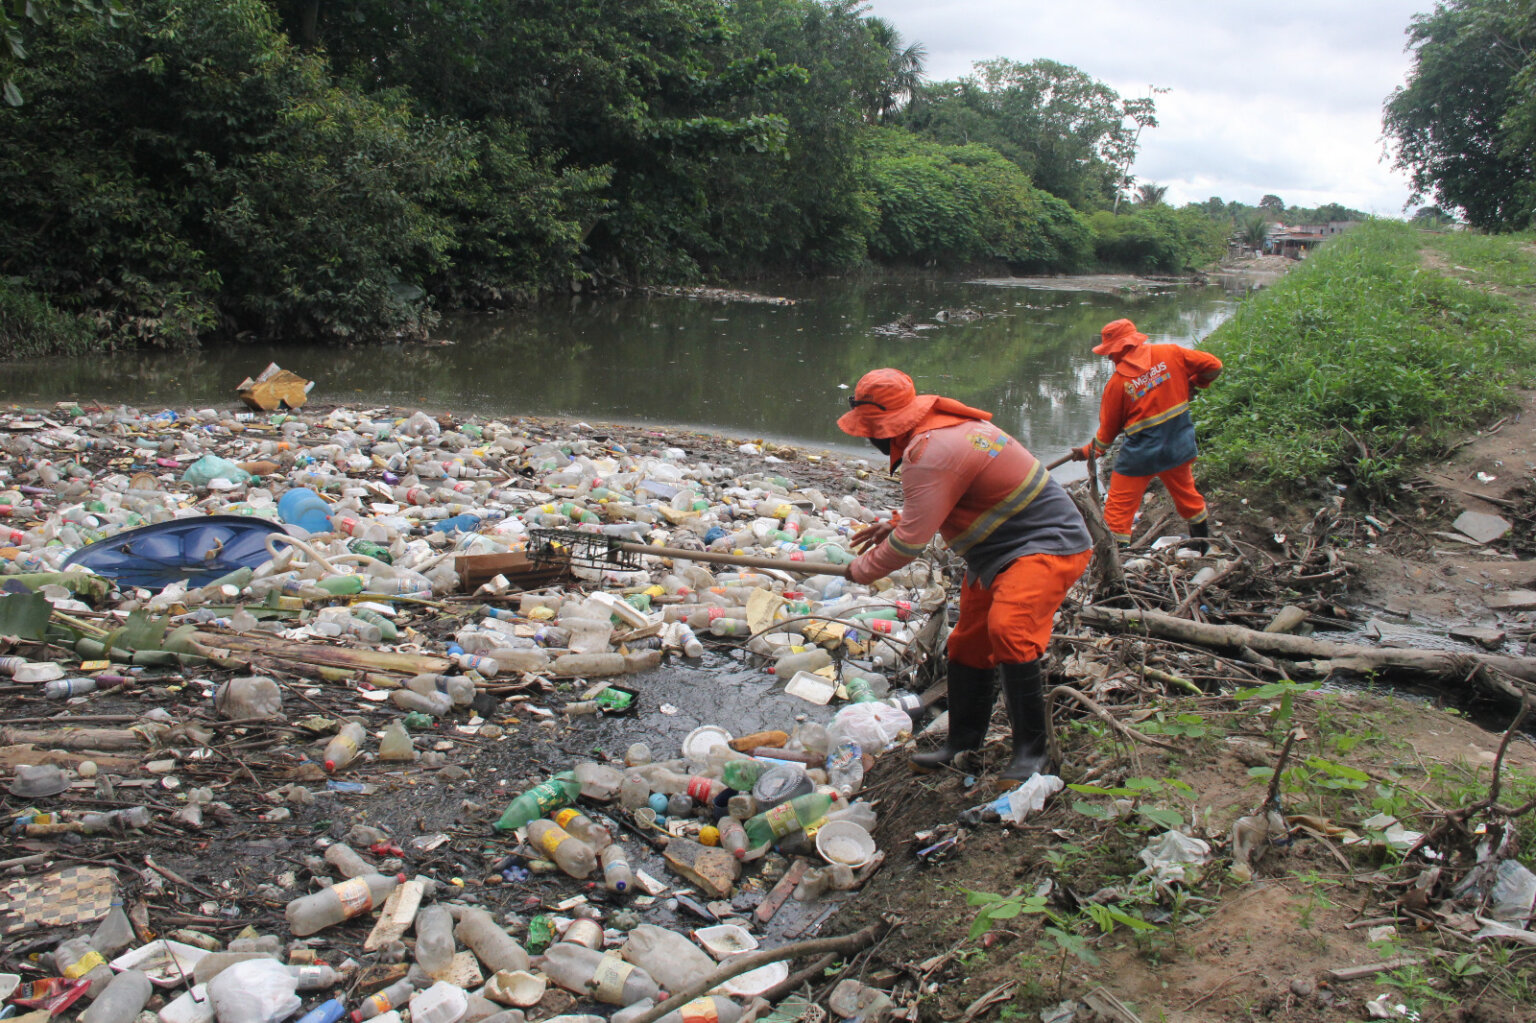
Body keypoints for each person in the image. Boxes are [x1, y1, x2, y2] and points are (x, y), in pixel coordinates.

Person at [838, 368, 1092, 783]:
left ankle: (1033, 753)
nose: (869, 439)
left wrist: (861, 570)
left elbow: (910, 545)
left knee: (1010, 630)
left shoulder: (929, 451)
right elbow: (951, 492)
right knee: (968, 644)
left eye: (870, 431)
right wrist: (897, 522)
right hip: (996, 551)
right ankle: (962, 743)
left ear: (886, 428)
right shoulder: (944, 430)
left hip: (1045, 543)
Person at [1072, 318, 1223, 548]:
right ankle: (1202, 545)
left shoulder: (1117, 385)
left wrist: (1085, 452)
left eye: (1110, 352)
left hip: (1140, 456)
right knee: (1188, 496)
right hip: (1177, 445)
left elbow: (1105, 438)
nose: (1109, 358)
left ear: (1121, 348)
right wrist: (1194, 383)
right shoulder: (1171, 353)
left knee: (1118, 510)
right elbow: (1214, 366)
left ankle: (1117, 560)